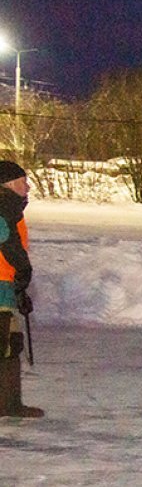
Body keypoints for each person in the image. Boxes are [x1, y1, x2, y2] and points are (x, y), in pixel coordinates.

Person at [0, 160, 42, 418]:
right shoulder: (3, 209)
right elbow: (8, 244)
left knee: (11, 344)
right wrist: (23, 270)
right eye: (21, 182)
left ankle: (9, 404)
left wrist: (19, 288)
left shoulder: (11, 209)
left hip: (5, 285)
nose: (27, 187)